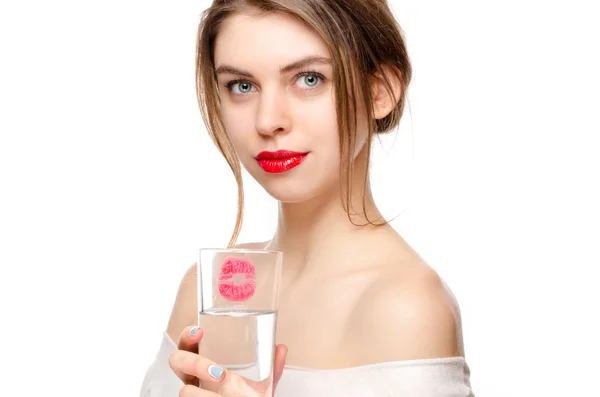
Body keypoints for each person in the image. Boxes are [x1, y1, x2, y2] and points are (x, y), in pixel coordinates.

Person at [140, 0, 474, 396]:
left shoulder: (406, 307)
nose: (268, 121)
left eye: (309, 79)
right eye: (242, 86)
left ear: (380, 91)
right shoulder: (208, 288)